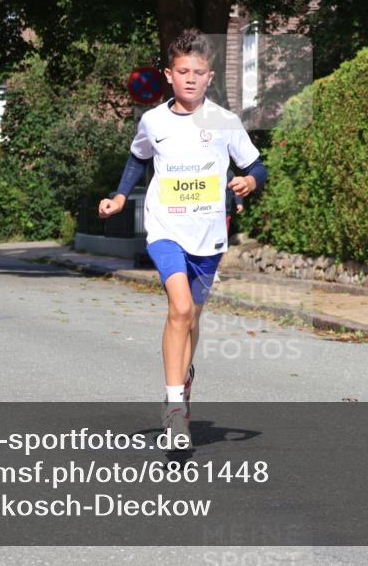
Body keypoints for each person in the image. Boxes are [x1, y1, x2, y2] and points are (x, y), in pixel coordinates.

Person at [99, 29, 267, 446]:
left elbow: (256, 165)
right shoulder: (152, 121)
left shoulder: (225, 123)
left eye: (199, 72)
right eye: (182, 71)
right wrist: (120, 196)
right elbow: (138, 159)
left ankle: (183, 377)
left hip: (209, 234)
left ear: (210, 77)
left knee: (191, 315)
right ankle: (176, 409)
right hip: (165, 230)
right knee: (179, 307)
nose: (190, 78)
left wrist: (248, 181)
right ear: (169, 75)